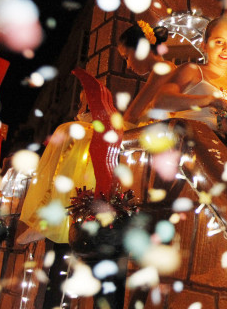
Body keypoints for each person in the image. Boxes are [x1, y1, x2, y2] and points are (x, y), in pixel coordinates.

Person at [18, 21, 173, 244]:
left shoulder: (162, 70)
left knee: (76, 133)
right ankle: (52, 215)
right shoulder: (160, 71)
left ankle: (54, 218)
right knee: (73, 132)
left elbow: (132, 115)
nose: (128, 65)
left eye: (127, 57)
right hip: (141, 130)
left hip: (146, 133)